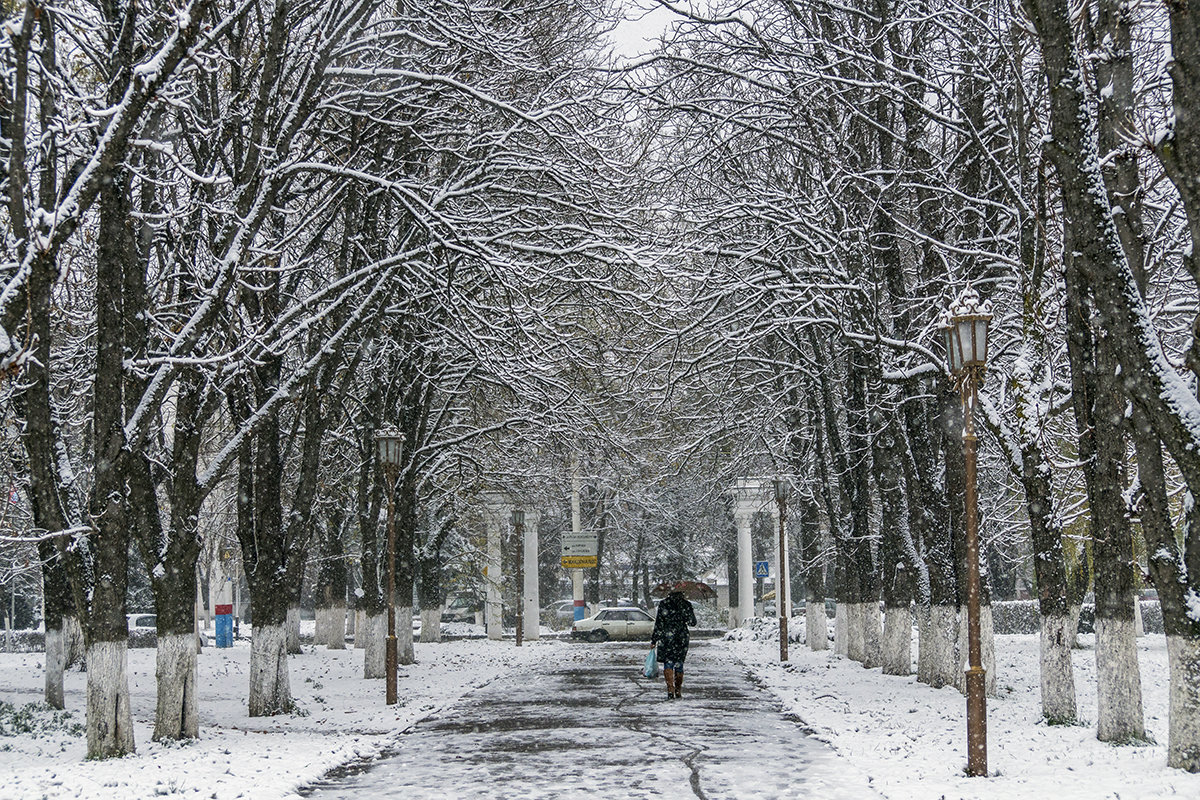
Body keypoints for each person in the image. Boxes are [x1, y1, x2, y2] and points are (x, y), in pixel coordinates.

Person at [650, 589, 697, 699]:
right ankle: (678, 690)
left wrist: (654, 640)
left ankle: (670, 689)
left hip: (667, 637)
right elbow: (693, 623)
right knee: (679, 663)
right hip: (681, 637)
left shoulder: (664, 604)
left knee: (668, 662)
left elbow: (659, 623)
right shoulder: (686, 605)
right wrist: (685, 613)